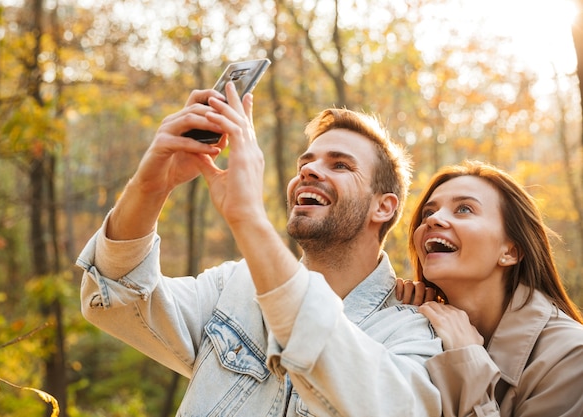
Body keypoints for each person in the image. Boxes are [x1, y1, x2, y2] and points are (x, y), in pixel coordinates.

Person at [76, 82, 443, 416]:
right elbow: (115, 296)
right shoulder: (234, 286)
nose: (310, 171)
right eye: (306, 162)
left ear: (384, 207)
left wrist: (249, 218)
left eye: (340, 165)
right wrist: (151, 184)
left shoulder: (414, 332)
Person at [403, 160, 583, 417]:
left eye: (464, 209)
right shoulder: (417, 329)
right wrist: (399, 321)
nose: (434, 220)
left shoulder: (571, 358)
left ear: (510, 251)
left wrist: (467, 364)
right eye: (428, 213)